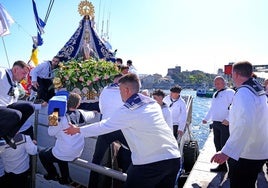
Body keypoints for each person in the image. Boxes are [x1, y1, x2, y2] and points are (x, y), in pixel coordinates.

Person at [64, 73, 181, 188]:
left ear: (126, 90)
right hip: (174, 158)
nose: (119, 94)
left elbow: (103, 126)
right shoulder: (153, 104)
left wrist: (77, 130)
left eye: (119, 91)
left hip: (150, 163)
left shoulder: (127, 111)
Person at [211, 61, 268, 188]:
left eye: (232, 74)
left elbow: (244, 124)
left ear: (236, 74)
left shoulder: (244, 93)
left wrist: (226, 151)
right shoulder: (258, 90)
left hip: (247, 152)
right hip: (260, 150)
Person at [39, 92, 96, 185]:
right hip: (77, 152)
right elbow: (92, 114)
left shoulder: (60, 117)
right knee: (60, 153)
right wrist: (94, 112)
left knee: (42, 154)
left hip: (64, 152)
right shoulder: (82, 113)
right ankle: (66, 178)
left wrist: (52, 119)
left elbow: (50, 133)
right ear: (78, 104)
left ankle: (52, 174)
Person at [88, 74, 132, 188]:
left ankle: (92, 185)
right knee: (132, 154)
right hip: (122, 127)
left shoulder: (105, 90)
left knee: (96, 159)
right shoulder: (127, 91)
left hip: (106, 127)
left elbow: (102, 109)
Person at [202, 76, 235, 172]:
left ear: (224, 83)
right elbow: (212, 108)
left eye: (218, 83)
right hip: (216, 123)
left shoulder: (230, 92)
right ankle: (222, 166)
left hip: (225, 124)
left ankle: (232, 169)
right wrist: (206, 119)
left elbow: (235, 107)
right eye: (215, 83)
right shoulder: (215, 94)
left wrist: (229, 119)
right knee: (217, 145)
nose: (216, 85)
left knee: (226, 146)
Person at [0, 60, 35, 149]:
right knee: (16, 115)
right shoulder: (1, 73)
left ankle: (9, 135)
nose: (25, 77)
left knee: (30, 107)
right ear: (15, 70)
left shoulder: (15, 83)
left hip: (6, 108)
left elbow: (13, 100)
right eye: (24, 73)